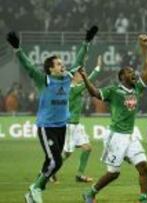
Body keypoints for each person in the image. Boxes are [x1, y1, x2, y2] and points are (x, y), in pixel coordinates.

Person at [6, 26, 98, 203]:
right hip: (46, 127)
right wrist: (18, 49)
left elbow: (78, 61)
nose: (63, 65)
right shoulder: (44, 80)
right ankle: (35, 189)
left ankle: (32, 193)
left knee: (51, 162)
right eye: (58, 64)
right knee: (56, 161)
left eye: (62, 63)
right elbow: (28, 66)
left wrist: (86, 42)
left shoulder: (67, 77)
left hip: (61, 127)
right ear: (50, 69)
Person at [82, 34, 147, 203]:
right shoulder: (113, 90)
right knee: (114, 173)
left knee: (143, 166)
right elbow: (94, 93)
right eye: (129, 72)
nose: (133, 73)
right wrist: (85, 77)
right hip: (116, 137)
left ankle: (143, 198)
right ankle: (90, 193)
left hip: (130, 135)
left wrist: (144, 49)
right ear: (122, 77)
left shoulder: (137, 90)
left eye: (133, 71)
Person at [51, 56, 103, 183]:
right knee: (67, 153)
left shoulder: (74, 87)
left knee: (87, 148)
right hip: (69, 125)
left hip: (76, 125)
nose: (82, 75)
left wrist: (82, 63)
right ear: (74, 76)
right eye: (80, 74)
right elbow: (89, 81)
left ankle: (79, 175)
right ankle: (50, 171)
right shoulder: (72, 89)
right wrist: (97, 68)